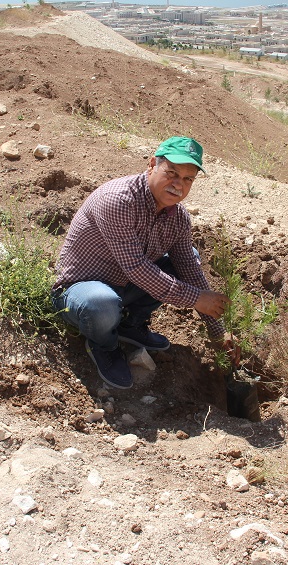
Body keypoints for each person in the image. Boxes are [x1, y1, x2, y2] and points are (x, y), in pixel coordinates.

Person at [52, 136, 240, 390]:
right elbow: (137, 268)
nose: (178, 185)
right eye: (172, 173)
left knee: (189, 260)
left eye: (187, 179)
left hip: (124, 286)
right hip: (81, 290)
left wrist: (218, 332)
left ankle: (130, 324)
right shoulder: (118, 200)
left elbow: (189, 270)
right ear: (152, 164)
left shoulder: (178, 218)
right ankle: (104, 345)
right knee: (102, 304)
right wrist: (196, 299)